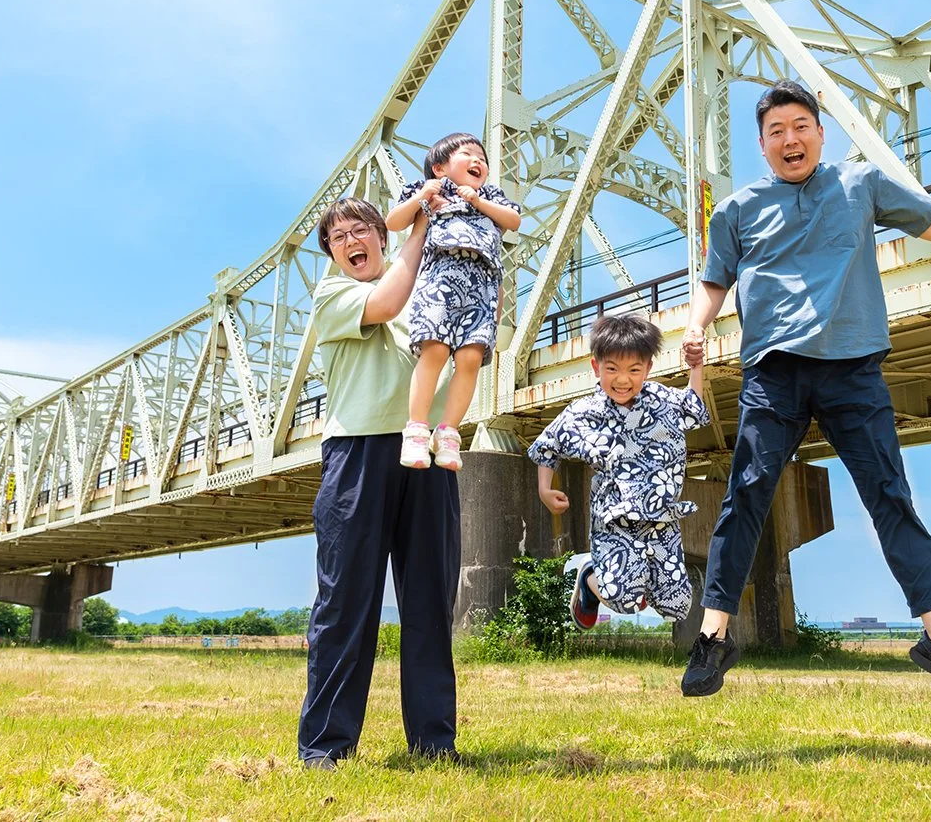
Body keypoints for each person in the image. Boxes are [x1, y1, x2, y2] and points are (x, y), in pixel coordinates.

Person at [678, 80, 931, 704]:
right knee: (745, 495)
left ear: (820, 133)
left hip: (852, 367)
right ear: (762, 145)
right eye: (776, 132)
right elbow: (714, 281)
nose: (790, 139)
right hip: (773, 371)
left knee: (891, 495)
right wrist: (696, 327)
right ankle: (713, 637)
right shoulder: (737, 210)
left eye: (800, 126)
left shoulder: (859, 184)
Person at [297, 196, 462, 768]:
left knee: (430, 604)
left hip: (430, 451)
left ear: (379, 236)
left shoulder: (431, 287)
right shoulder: (333, 294)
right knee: (345, 602)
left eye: (361, 229)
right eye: (337, 237)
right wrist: (419, 223)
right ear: (332, 254)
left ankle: (435, 745)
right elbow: (389, 300)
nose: (350, 241)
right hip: (357, 452)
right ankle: (325, 748)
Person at [528, 314, 708, 629]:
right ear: (596, 367)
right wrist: (544, 489)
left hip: (661, 520)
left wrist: (696, 367)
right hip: (614, 521)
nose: (622, 380)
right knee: (623, 599)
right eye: (612, 369)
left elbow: (693, 407)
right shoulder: (585, 412)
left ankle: (638, 577)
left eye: (634, 370)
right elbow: (548, 445)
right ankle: (590, 578)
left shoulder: (663, 401)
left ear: (648, 368)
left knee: (678, 606)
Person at [386, 132, 521, 471]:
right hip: (440, 280)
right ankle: (416, 429)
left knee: (471, 358)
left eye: (483, 158)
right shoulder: (431, 191)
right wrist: (422, 195)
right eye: (468, 154)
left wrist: (477, 201)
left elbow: (513, 221)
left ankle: (448, 432)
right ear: (440, 168)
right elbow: (393, 222)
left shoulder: (490, 196)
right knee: (435, 350)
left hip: (482, 285)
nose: (479, 161)